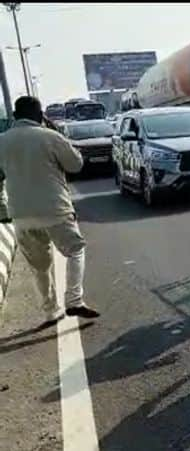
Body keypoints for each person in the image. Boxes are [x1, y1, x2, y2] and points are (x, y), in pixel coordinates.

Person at [0, 96, 100, 328]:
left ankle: (50, 312)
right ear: (40, 115)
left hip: (21, 214)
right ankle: (74, 299)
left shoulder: (2, 141)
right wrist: (56, 131)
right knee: (75, 250)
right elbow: (76, 164)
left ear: (15, 116)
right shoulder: (50, 136)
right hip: (55, 210)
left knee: (39, 267)